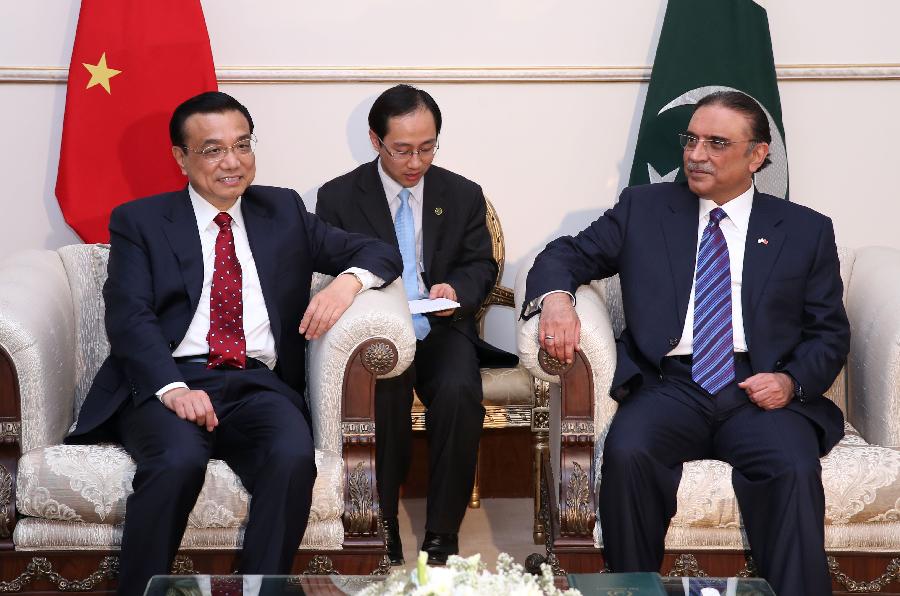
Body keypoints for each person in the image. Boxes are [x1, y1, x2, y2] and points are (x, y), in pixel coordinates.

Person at [66, 91, 402, 595]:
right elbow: (129, 315)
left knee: (291, 457)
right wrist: (171, 386)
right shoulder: (140, 221)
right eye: (212, 149)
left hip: (256, 383)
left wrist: (347, 281)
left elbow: (379, 251)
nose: (232, 162)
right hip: (173, 379)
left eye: (242, 145)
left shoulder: (282, 209)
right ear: (181, 157)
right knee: (177, 461)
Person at [523, 90, 849, 595]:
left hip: (759, 390)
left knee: (791, 467)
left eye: (717, 143)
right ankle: (633, 590)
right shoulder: (644, 209)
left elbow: (829, 332)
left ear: (757, 155)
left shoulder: (804, 230)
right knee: (629, 453)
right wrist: (557, 299)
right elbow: (565, 254)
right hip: (670, 385)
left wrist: (790, 381)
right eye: (691, 139)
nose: (697, 154)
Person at [315, 84, 517, 565]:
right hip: (378, 333)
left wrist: (457, 291)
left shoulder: (462, 193)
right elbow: (328, 266)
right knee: (383, 395)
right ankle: (381, 526)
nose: (415, 161)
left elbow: (481, 265)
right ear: (375, 140)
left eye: (427, 148)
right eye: (402, 149)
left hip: (442, 329)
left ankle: (442, 535)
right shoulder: (339, 196)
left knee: (458, 391)